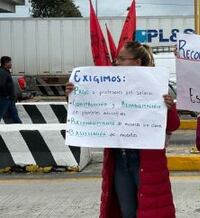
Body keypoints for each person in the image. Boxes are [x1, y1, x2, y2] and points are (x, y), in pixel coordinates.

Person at [64, 42, 177, 218]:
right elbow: (93, 109)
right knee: (127, 211)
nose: (117, 62)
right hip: (119, 160)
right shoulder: (110, 85)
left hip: (146, 161)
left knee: (151, 211)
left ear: (137, 62)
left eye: (122, 59)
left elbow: (173, 125)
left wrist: (169, 108)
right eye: (117, 59)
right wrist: (74, 95)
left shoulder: (158, 86)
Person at [0, 56, 20, 124]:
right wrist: (6, 95)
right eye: (9, 62)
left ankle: (19, 126)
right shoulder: (3, 72)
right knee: (1, 112)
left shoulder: (6, 72)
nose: (11, 64)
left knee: (14, 114)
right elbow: (1, 85)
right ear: (5, 63)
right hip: (4, 98)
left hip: (9, 99)